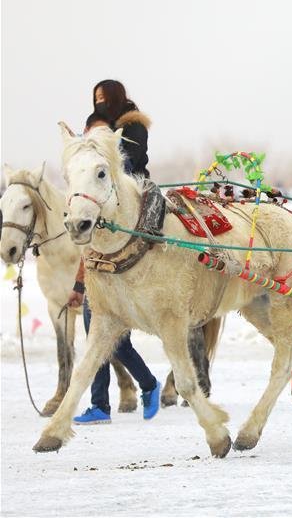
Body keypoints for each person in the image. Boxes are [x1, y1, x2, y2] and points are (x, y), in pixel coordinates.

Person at [67, 80, 160, 425]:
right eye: (95, 100)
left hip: (128, 209)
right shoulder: (99, 135)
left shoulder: (132, 127)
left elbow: (128, 164)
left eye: (104, 98)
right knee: (95, 326)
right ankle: (100, 405)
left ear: (117, 98)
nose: (100, 103)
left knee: (106, 333)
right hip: (102, 214)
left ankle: (148, 383)